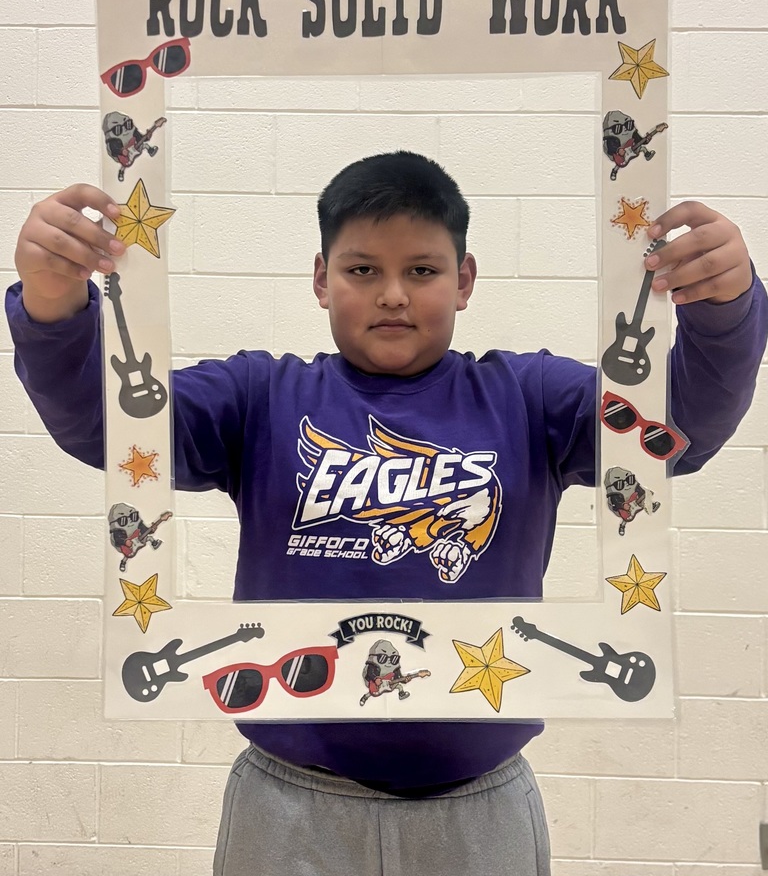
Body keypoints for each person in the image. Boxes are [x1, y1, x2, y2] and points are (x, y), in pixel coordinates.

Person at [7, 151, 767, 876]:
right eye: (363, 269)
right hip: (288, 802)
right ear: (321, 278)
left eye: (423, 270)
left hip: (480, 804)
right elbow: (106, 428)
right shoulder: (260, 397)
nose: (394, 294)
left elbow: (675, 436)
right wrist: (51, 304)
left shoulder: (529, 397)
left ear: (465, 280)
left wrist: (725, 311)